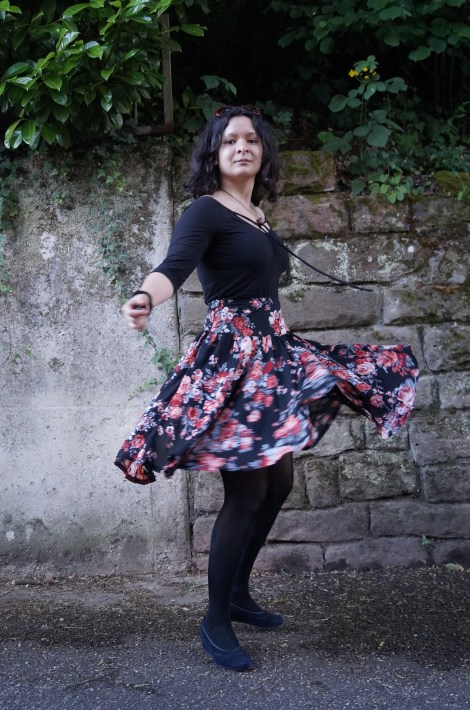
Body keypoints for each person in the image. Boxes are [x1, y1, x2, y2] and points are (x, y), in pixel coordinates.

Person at [115, 105, 419, 672]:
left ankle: (237, 592)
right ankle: (215, 620)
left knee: (279, 482)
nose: (242, 147)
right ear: (214, 153)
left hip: (271, 353)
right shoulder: (205, 210)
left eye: (251, 139)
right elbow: (174, 267)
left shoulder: (255, 214)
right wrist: (144, 297)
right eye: (230, 140)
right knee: (248, 491)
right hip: (234, 359)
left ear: (262, 151)